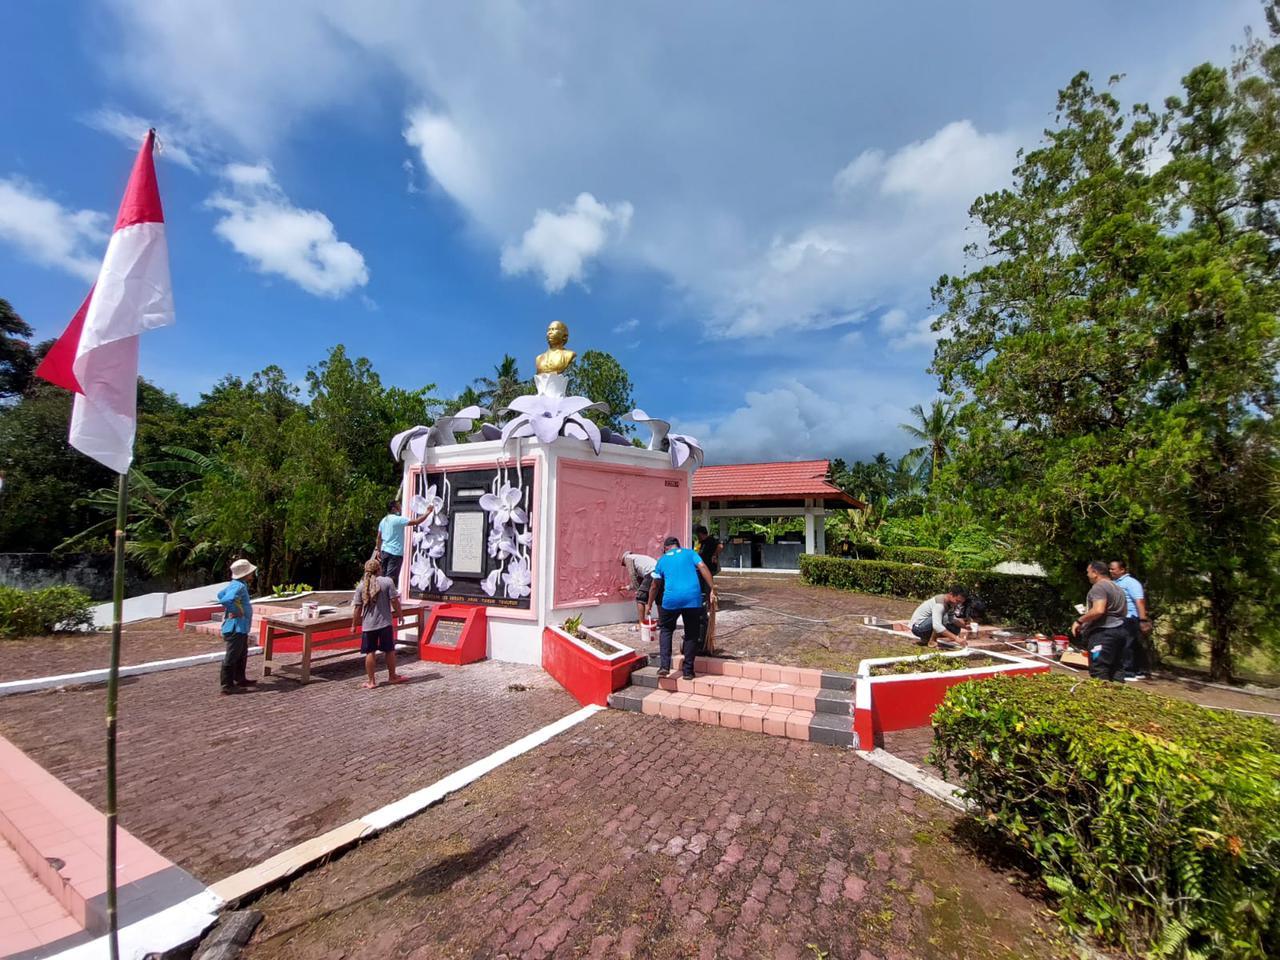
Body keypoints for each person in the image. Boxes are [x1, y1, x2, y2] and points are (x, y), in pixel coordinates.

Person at [645, 536, 716, 680]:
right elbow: (703, 567)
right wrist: (712, 588)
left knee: (666, 630)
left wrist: (649, 603)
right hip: (693, 599)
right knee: (691, 633)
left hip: (671, 600)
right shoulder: (690, 553)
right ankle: (688, 671)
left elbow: (655, 585)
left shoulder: (662, 560)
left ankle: (664, 666)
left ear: (666, 548)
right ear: (678, 545)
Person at [351, 558, 407, 689]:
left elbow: (357, 608)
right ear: (379, 569)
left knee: (370, 652)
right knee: (389, 650)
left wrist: (354, 625)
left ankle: (371, 681)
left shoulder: (361, 586)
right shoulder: (387, 582)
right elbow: (394, 601)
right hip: (385, 623)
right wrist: (400, 614)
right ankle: (392, 676)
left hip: (368, 625)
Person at [1071, 561, 1129, 681]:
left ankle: (1103, 692)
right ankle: (1117, 691)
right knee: (1116, 669)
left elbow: (1098, 610)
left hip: (1103, 633)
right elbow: (1124, 611)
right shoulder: (1118, 588)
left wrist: (1079, 621)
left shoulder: (1099, 587)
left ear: (1095, 573)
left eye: (1088, 572)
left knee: (1099, 670)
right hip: (1120, 631)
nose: (1087, 575)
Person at [216, 559, 257, 695]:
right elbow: (225, 599)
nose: (252, 574)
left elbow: (220, 594)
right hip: (235, 627)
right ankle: (227, 685)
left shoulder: (239, 584)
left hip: (242, 626)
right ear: (245, 574)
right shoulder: (238, 586)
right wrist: (235, 610)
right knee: (232, 655)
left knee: (241, 653)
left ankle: (240, 678)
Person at [1109, 560, 1151, 681]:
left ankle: (1128, 672)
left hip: (1129, 618)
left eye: (1113, 569)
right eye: (1110, 569)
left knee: (1126, 645)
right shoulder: (1115, 583)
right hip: (1120, 617)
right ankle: (1138, 670)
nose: (1111, 571)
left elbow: (1139, 601)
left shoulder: (1131, 583)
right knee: (1132, 644)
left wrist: (1142, 619)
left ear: (1122, 570)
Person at [374, 498, 434, 582]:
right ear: (394, 509)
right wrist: (428, 512)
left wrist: (378, 550)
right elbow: (416, 521)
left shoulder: (383, 520)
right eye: (399, 506)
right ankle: (388, 590)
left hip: (385, 551)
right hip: (395, 552)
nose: (401, 508)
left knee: (383, 576)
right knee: (390, 579)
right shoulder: (398, 519)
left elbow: (379, 537)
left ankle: (381, 590)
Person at [694, 524, 723, 654]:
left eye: (698, 535)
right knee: (702, 589)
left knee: (707, 588)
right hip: (702, 570)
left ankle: (708, 604)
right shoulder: (702, 543)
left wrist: (715, 555)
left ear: (701, 533)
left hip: (708, 569)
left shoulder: (711, 540)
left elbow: (720, 546)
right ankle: (705, 603)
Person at [622, 552, 657, 625]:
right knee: (659, 597)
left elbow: (632, 575)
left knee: (640, 598)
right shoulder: (639, 560)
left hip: (651, 572)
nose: (625, 566)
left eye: (624, 564)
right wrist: (627, 588)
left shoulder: (628, 558)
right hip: (659, 572)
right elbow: (639, 580)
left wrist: (638, 591)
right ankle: (662, 622)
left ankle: (641, 624)